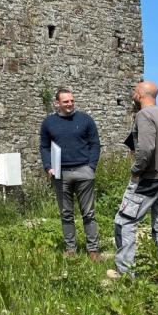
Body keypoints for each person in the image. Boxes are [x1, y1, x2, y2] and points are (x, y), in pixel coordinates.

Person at [110, 81, 158, 277]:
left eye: (134, 90)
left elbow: (146, 148)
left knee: (124, 221)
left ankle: (124, 274)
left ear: (140, 94)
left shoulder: (144, 115)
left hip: (149, 178)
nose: (133, 93)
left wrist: (136, 169)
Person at [40, 88, 102, 259]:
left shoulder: (85, 120)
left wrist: (91, 167)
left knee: (88, 213)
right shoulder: (48, 123)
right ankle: (71, 250)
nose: (70, 104)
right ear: (57, 103)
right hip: (60, 174)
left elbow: (95, 144)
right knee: (66, 214)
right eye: (66, 101)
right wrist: (48, 166)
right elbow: (44, 147)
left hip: (84, 171)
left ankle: (93, 250)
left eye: (72, 101)